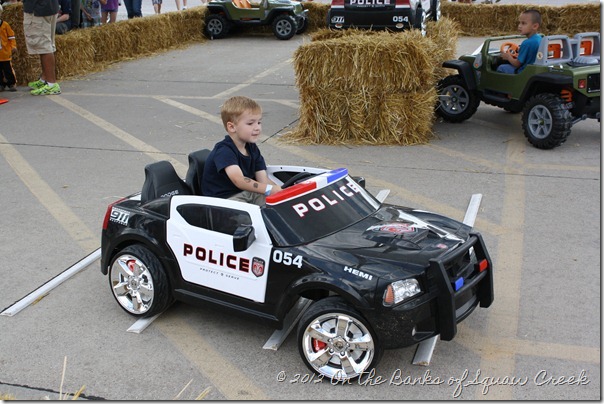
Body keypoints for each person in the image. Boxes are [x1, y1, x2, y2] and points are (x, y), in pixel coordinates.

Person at [202, 96, 282, 206]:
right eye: (250, 123)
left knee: (277, 205)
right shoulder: (224, 151)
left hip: (249, 193)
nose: (257, 128)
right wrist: (268, 189)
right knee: (251, 213)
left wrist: (281, 191)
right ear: (231, 127)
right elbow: (239, 180)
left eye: (259, 122)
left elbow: (263, 180)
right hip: (225, 199)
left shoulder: (252, 148)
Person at [23, 0, 61, 95]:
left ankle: (51, 84)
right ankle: (45, 79)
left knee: (44, 47)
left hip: (38, 9)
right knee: (47, 44)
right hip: (49, 7)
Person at [497, 9, 541, 74]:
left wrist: (508, 57)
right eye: (519, 23)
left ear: (535, 26)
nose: (519, 26)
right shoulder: (539, 38)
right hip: (534, 70)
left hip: (523, 72)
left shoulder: (527, 43)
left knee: (501, 67)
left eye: (523, 23)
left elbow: (517, 64)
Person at [0, 3, 17, 92]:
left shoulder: (5, 25)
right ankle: (1, 84)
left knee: (8, 70)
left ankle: (11, 83)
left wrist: (13, 46)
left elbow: (11, 37)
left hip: (5, 52)